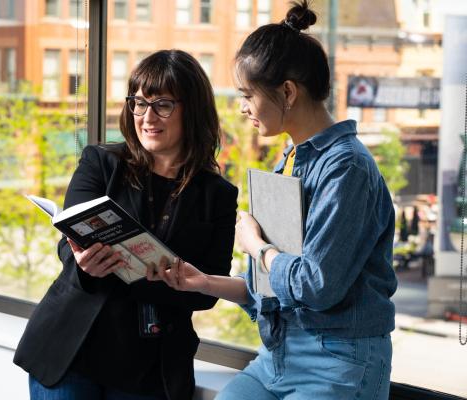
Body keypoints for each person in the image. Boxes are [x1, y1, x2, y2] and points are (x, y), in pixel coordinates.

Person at [149, 2, 398, 399]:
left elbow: (316, 287)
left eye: (248, 95)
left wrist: (258, 247)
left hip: (338, 362)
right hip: (277, 356)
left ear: (287, 92)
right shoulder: (291, 160)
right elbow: (275, 288)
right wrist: (203, 281)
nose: (243, 107)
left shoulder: (347, 168)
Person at [13, 49, 238, 400]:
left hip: (150, 368)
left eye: (163, 104)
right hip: (71, 350)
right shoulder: (100, 162)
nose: (147, 117)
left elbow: (209, 287)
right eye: (138, 102)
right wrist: (87, 267)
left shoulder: (218, 194)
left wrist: (154, 281)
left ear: (191, 110)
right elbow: (69, 246)